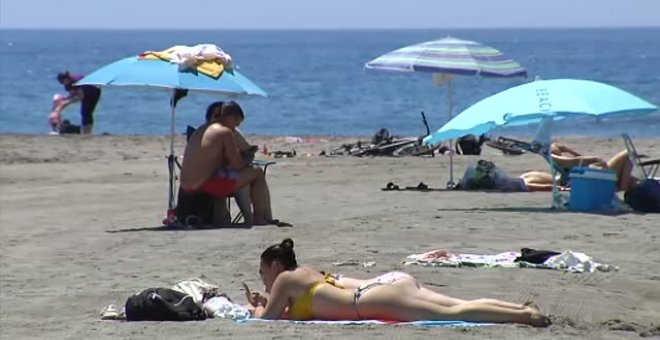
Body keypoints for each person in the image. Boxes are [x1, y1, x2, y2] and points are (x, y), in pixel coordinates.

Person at [244, 238, 550, 326]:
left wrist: (254, 308)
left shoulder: (284, 279)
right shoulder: (305, 272)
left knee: (454, 314)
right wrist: (267, 303)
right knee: (457, 304)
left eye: (263, 273)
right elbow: (299, 310)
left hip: (374, 299)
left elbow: (267, 321)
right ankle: (522, 309)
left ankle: (526, 317)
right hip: (387, 283)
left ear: (273, 265)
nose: (265, 280)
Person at [176, 101, 276, 226]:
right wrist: (248, 157)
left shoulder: (201, 129)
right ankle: (261, 217)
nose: (235, 128)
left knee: (237, 175)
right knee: (256, 172)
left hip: (186, 187)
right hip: (204, 186)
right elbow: (237, 165)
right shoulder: (224, 132)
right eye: (236, 123)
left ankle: (247, 217)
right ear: (231, 118)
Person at [549, 142, 635, 191]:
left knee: (632, 179)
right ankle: (622, 188)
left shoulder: (556, 158)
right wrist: (594, 159)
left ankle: (623, 186)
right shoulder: (557, 159)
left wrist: (575, 154)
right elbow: (574, 161)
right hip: (597, 177)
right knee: (629, 152)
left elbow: (558, 146)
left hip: (594, 174)